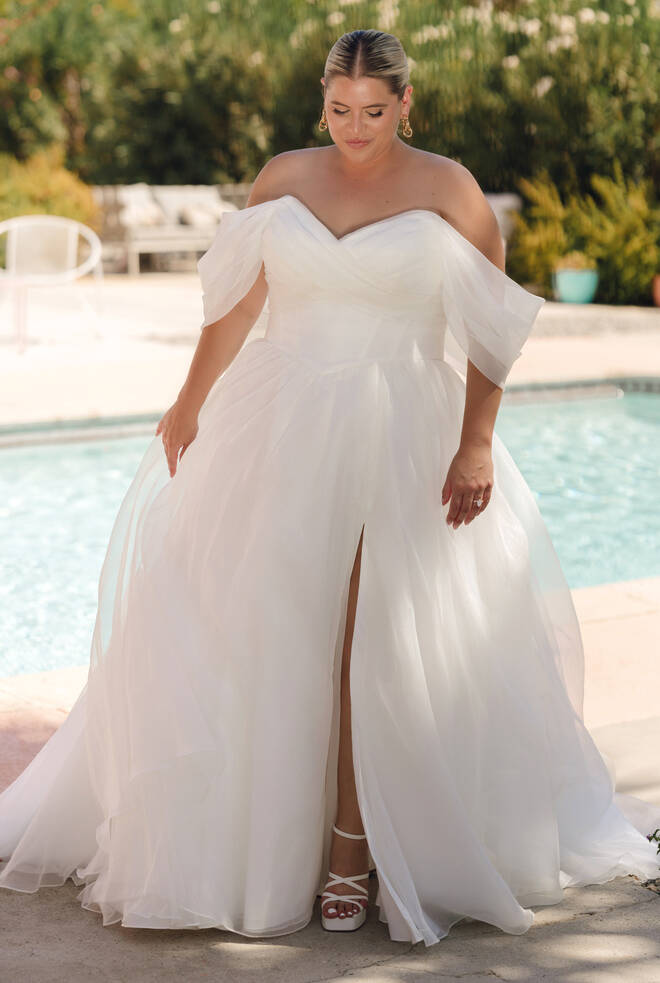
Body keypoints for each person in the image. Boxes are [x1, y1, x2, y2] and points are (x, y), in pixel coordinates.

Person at [0, 29, 658, 946]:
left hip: (405, 431)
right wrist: (189, 400)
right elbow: (238, 307)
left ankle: (353, 849)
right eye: (341, 111)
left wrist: (476, 444)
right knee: (272, 632)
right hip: (281, 423)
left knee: (371, 636)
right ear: (324, 104)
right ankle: (274, 843)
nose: (357, 128)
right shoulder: (282, 180)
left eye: (376, 112)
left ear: (406, 106)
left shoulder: (450, 190)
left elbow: (492, 334)